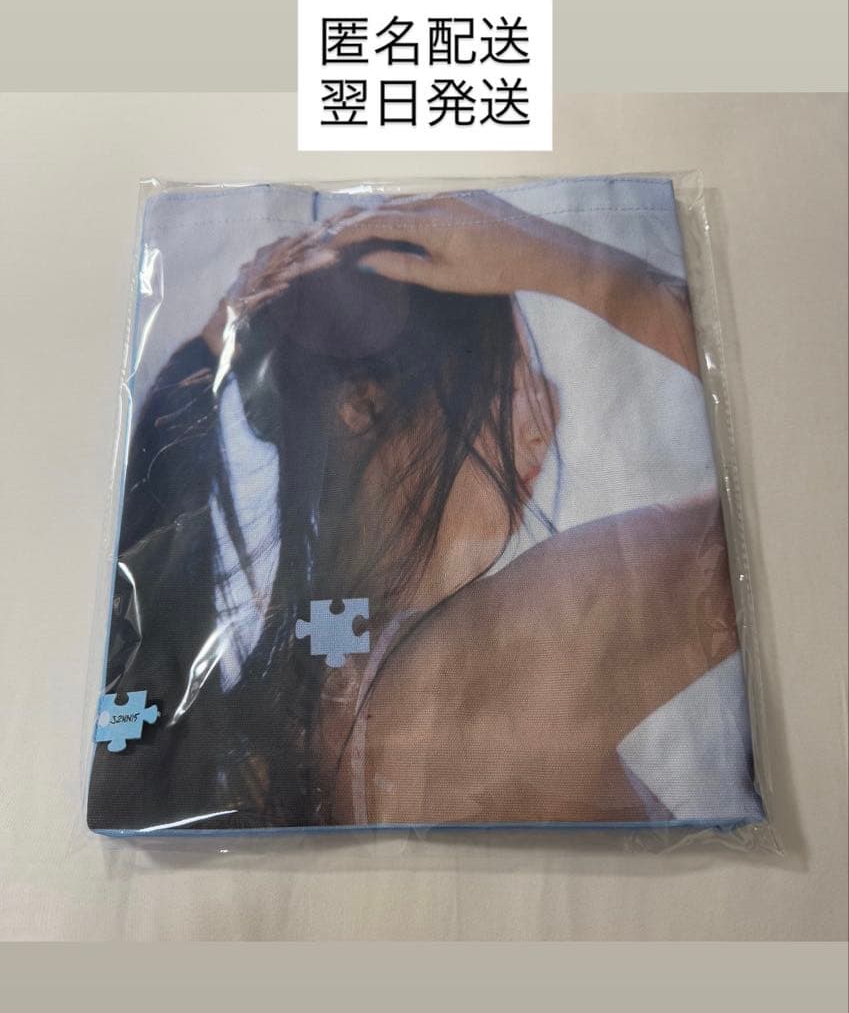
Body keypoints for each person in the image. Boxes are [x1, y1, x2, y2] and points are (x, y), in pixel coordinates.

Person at [87, 191, 740, 832]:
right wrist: (573, 264)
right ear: (363, 403)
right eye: (511, 370)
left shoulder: (294, 690)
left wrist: (209, 351)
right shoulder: (523, 646)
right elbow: (785, 513)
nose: (546, 421)